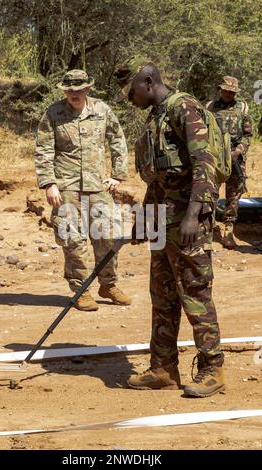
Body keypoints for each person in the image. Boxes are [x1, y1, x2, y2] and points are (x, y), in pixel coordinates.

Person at [114, 57, 224, 397]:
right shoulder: (155, 118)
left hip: (187, 221)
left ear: (148, 82)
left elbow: (205, 165)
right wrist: (144, 220)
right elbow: (160, 179)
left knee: (194, 290)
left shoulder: (185, 108)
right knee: (162, 295)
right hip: (163, 221)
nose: (129, 99)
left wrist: (194, 213)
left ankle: (212, 368)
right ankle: (163, 367)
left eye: (130, 91)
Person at [35, 69, 131, 311]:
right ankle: (80, 290)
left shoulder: (102, 110)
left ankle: (108, 285)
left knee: (108, 237)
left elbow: (117, 140)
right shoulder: (53, 113)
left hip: (98, 187)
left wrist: (117, 175)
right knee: (73, 240)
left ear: (88, 89)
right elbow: (43, 150)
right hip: (66, 189)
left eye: (78, 90)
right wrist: (49, 183)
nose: (73, 94)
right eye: (69, 90)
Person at [206, 77, 252, 249]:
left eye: (231, 92)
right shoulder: (210, 106)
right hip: (216, 157)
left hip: (235, 157)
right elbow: (204, 131)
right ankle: (208, 230)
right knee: (211, 193)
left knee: (234, 194)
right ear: (220, 89)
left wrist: (237, 151)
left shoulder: (243, 107)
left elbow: (248, 136)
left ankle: (228, 229)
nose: (228, 94)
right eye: (225, 90)